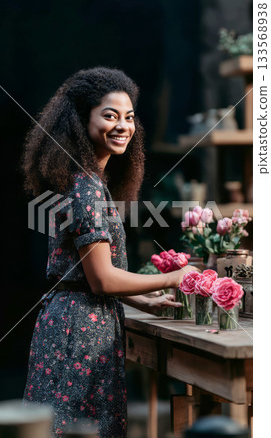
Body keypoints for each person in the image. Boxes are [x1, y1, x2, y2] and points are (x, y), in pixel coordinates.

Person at [22, 67, 198, 437]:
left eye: (129, 117)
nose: (123, 126)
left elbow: (84, 275)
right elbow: (101, 280)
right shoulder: (85, 188)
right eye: (110, 115)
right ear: (81, 120)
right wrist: (173, 278)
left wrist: (143, 300)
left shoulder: (86, 181)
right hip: (78, 332)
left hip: (78, 323)